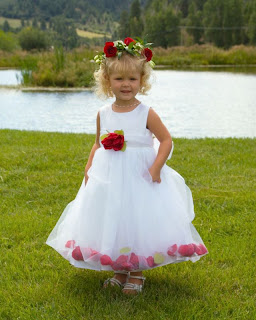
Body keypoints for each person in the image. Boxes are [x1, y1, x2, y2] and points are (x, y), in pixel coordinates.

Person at [45, 37, 208, 296]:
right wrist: (89, 168)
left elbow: (166, 140)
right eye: (119, 79)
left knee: (137, 220)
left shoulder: (145, 113)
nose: (126, 84)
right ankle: (119, 270)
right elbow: (98, 144)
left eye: (132, 79)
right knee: (114, 218)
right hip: (109, 177)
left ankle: (137, 273)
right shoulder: (103, 113)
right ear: (107, 81)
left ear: (141, 81)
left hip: (139, 177)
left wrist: (155, 168)